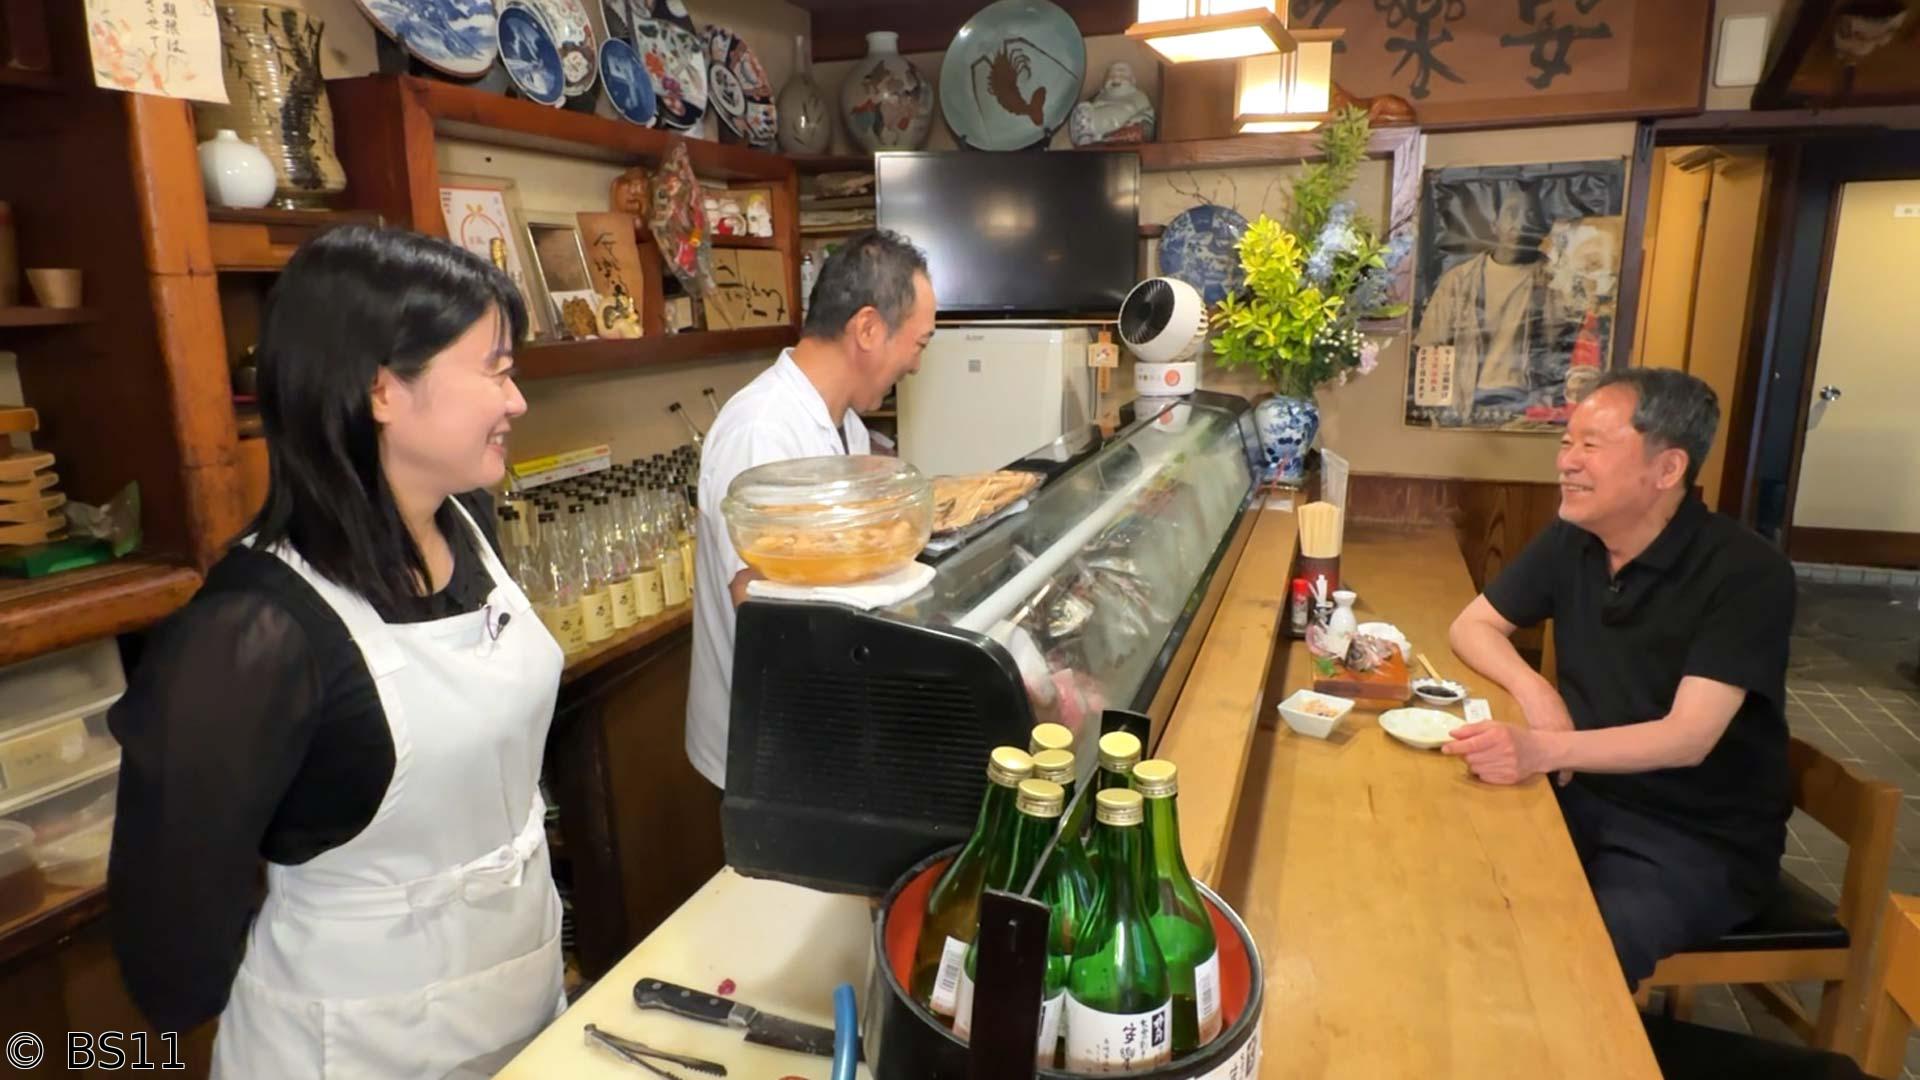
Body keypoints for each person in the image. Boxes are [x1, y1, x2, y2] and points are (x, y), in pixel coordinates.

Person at [108, 226, 565, 1078]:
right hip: (354, 1046)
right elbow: (170, 951)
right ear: (382, 388)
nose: (517, 401)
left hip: (519, 1001)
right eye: (496, 369)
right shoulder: (254, 631)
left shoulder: (469, 526)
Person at [1444, 368, 1796, 988]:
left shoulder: (1746, 572)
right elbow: (1472, 626)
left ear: (1667, 470)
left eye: (1591, 446)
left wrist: (1542, 747)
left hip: (1692, 837)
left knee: (1576, 959)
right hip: (1582, 793)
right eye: (1566, 443)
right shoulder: (1574, 537)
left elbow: (1687, 737)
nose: (1567, 463)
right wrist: (1539, 694)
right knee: (1462, 881)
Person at [686, 229, 935, 790]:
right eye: (918, 344)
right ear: (868, 328)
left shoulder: (846, 423)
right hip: (768, 742)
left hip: (819, 723)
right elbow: (761, 606)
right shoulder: (762, 430)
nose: (917, 365)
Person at [1414, 187, 1576, 422]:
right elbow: (1430, 349)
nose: (1519, 225)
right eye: (1512, 213)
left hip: (1525, 411)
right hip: (1466, 406)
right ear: (1495, 223)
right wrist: (1436, 415)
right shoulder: (1459, 281)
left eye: (1530, 217)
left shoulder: (1555, 283)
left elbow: (1564, 354)